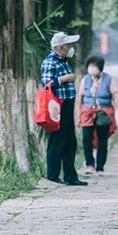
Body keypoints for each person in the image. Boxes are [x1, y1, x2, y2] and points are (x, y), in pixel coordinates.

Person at [40, 31, 87, 186]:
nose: (70, 47)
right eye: (67, 45)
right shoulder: (50, 62)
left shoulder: (63, 61)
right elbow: (47, 83)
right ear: (60, 47)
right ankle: (52, 176)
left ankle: (70, 176)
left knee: (69, 141)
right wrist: (65, 78)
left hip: (67, 106)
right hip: (56, 107)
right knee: (57, 141)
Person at [75, 55, 118, 175]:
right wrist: (78, 116)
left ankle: (100, 167)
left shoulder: (109, 79)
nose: (91, 69)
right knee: (86, 138)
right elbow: (80, 98)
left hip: (103, 113)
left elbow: (116, 98)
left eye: (94, 66)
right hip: (87, 112)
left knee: (102, 140)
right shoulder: (85, 79)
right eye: (90, 66)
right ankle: (89, 164)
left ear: (100, 68)